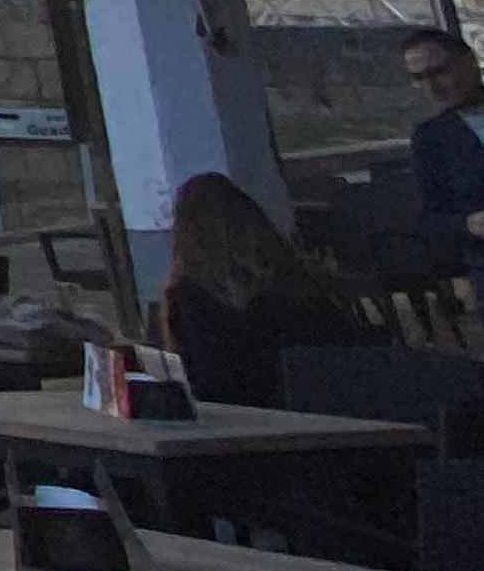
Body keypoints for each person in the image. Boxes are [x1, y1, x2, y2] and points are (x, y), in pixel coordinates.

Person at [157, 171, 368, 407]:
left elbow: (206, 382)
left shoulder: (192, 296)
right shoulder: (295, 276)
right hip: (333, 401)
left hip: (244, 415)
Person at [404, 26, 484, 280]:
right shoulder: (431, 138)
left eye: (439, 72)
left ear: (468, 62)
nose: (432, 87)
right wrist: (469, 224)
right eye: (419, 79)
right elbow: (428, 220)